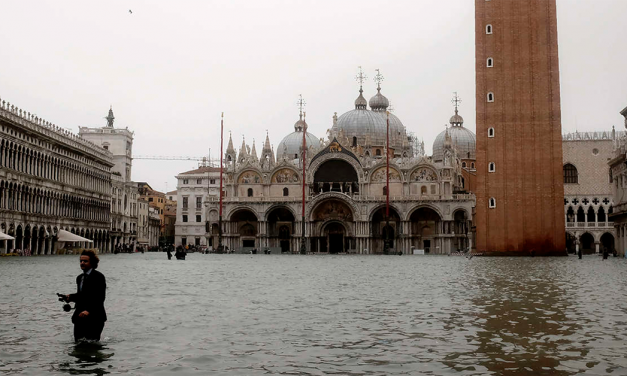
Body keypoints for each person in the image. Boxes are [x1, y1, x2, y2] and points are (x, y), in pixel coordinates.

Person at [63, 250, 107, 342]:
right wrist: (70, 297)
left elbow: (100, 297)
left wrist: (89, 311)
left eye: (85, 261)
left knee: (92, 345)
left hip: (95, 317)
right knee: (78, 343)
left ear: (92, 263)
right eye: (81, 261)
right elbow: (82, 296)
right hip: (79, 317)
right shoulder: (80, 278)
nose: (82, 263)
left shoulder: (99, 277)